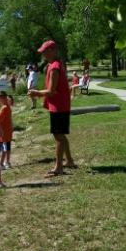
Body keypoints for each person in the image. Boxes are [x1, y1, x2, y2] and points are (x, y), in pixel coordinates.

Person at [28, 40, 76, 177]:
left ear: (52, 51)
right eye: (42, 51)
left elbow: (51, 91)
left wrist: (36, 93)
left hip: (59, 105)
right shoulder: (52, 65)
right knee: (61, 134)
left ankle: (59, 167)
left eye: (44, 51)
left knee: (58, 136)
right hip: (59, 104)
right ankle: (70, 161)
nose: (42, 53)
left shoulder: (55, 67)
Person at [0, 91, 13, 169]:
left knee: (4, 148)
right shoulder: (7, 106)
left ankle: (1, 164)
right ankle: (7, 162)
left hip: (4, 132)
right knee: (7, 147)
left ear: (1, 98)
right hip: (8, 130)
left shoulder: (4, 108)